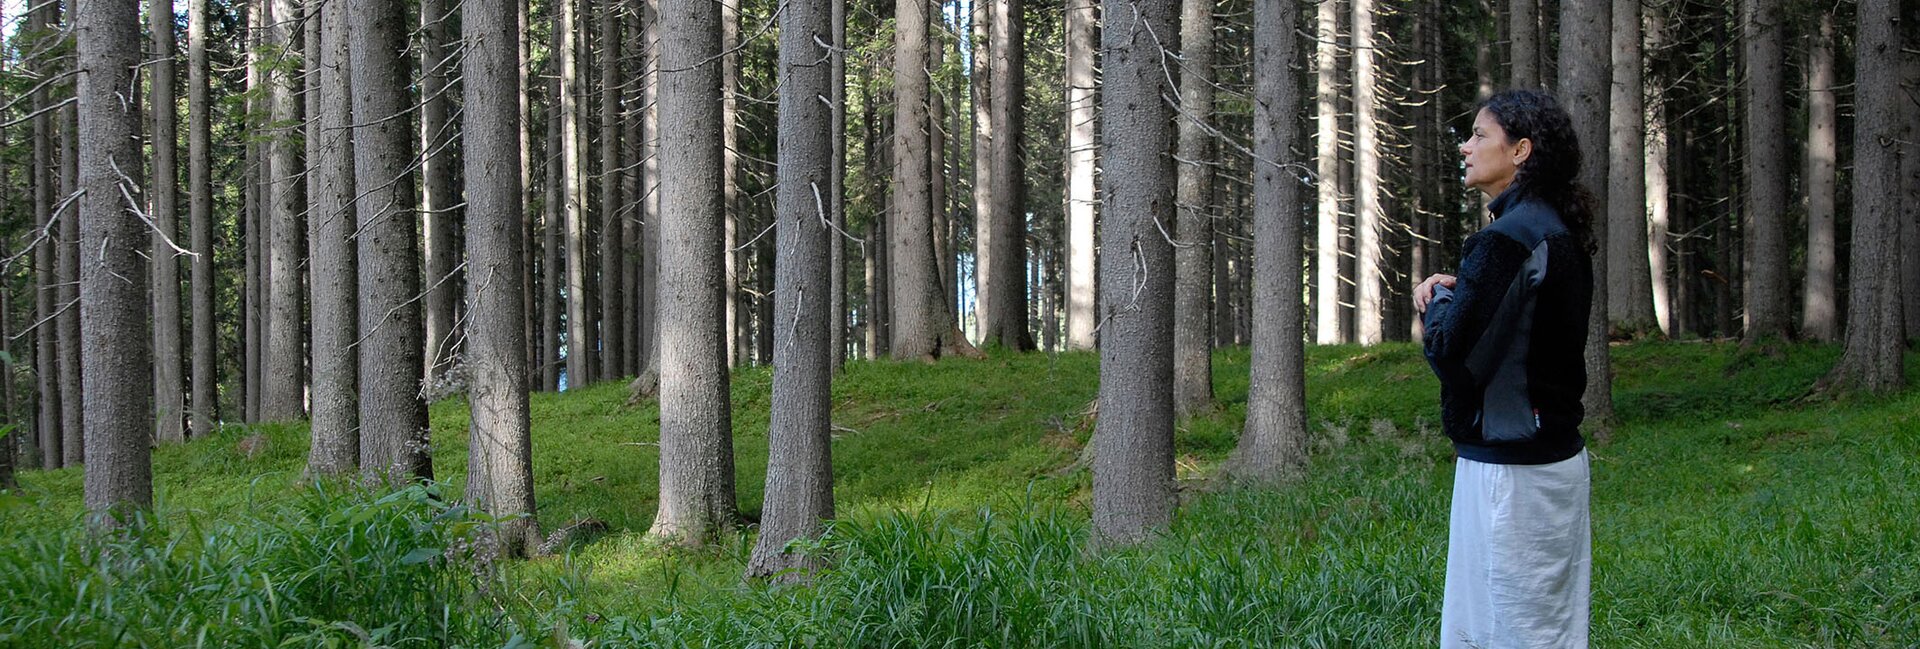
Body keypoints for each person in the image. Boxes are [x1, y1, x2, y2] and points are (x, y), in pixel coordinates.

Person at [1413, 89, 1595, 649]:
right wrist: (1464, 289)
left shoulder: (1507, 240)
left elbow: (1456, 358)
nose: (1465, 147)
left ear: (1520, 151)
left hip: (1509, 475)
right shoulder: (1552, 228)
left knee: (1505, 631)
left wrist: (1436, 302)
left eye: (1478, 135)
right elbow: (1518, 329)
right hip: (1551, 463)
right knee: (1547, 627)